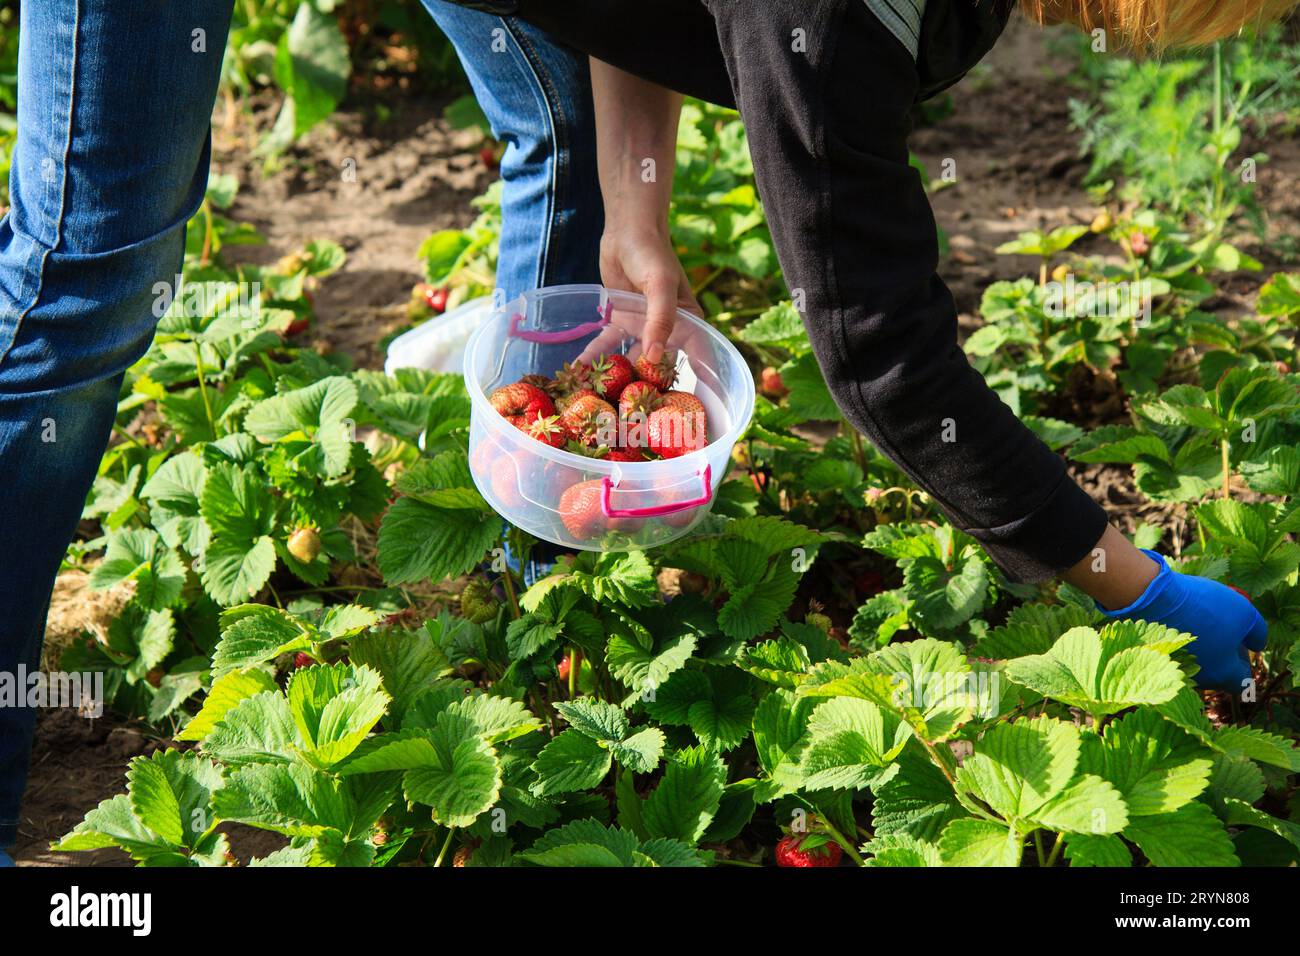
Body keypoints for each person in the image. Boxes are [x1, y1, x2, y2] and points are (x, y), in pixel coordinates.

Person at [433, 0, 1282, 689]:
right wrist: (1134, 585)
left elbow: (626, 19)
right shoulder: (828, 20)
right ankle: (540, 577)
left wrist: (636, 211)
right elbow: (885, 358)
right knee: (558, 142)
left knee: (593, 172)